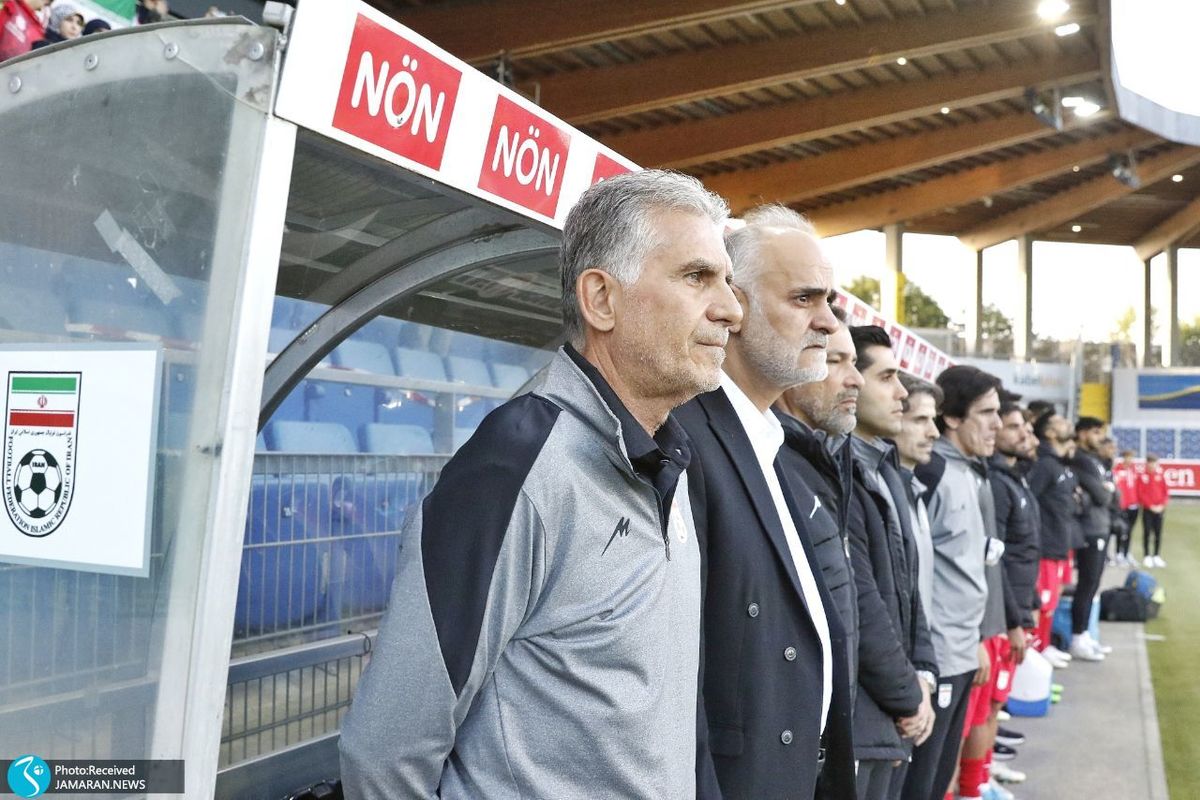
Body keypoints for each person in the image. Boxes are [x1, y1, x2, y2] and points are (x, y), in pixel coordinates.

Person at [339, 170, 742, 799]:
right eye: (697, 277)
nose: (731, 309)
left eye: (727, 282)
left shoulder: (670, 461)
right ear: (601, 299)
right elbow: (385, 752)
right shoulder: (514, 467)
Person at [678, 205, 855, 800]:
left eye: (829, 301)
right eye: (804, 299)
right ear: (735, 304)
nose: (828, 323)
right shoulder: (686, 439)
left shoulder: (768, 441)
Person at [845, 327, 937, 800]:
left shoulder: (887, 472)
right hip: (868, 716)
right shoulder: (840, 473)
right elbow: (862, 601)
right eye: (887, 378)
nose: (901, 392)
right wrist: (908, 694)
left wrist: (924, 672)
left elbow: (908, 589)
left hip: (896, 707)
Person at [903, 366, 1002, 800]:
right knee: (921, 783)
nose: (997, 423)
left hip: (962, 650)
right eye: (987, 412)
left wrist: (978, 637)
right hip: (937, 656)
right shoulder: (931, 470)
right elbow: (910, 567)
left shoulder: (969, 471)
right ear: (953, 418)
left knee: (941, 773)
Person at [775, 304, 860, 708]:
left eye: (854, 362)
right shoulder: (770, 460)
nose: (855, 379)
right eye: (835, 360)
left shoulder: (824, 459)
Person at [1026, 412, 1079, 666]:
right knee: (1043, 602)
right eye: (1059, 421)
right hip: (1046, 546)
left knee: (1052, 601)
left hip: (1059, 545)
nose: (1067, 423)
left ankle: (1045, 644)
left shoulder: (1059, 464)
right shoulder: (1045, 465)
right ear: (1049, 433)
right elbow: (1030, 501)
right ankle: (1036, 649)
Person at [1069, 417, 1114, 661]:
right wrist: (1105, 490)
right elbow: (1102, 495)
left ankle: (1085, 633)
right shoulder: (1081, 460)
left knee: (1093, 583)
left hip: (1100, 526)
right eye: (1096, 432)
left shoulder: (1095, 460)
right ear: (1083, 433)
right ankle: (1077, 636)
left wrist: (1106, 490)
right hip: (1090, 528)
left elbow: (1109, 492)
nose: (1100, 438)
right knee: (1086, 584)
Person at [1139, 454, 1169, 567]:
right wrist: (1150, 506)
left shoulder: (1160, 476)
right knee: (1147, 532)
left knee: (1158, 533)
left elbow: (1165, 492)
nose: (1152, 465)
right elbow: (1141, 493)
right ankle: (1147, 556)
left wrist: (1162, 505)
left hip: (1159, 509)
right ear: (1147, 463)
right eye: (1150, 462)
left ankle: (1156, 555)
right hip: (1148, 510)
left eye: (1154, 462)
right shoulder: (1143, 476)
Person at [1114, 449, 1140, 566]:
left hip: (1134, 505)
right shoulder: (1117, 470)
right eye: (1128, 457)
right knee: (1121, 530)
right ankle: (1118, 553)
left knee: (1129, 530)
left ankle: (1126, 552)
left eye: (1131, 457)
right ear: (1123, 457)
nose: (1130, 460)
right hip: (1122, 506)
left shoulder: (1134, 470)